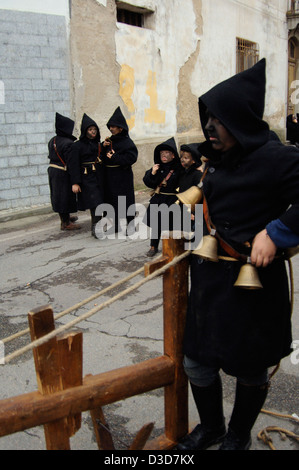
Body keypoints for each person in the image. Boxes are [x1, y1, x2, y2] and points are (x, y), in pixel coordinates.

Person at [177, 59, 299, 451]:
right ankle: (211, 427)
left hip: (255, 287)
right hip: (210, 282)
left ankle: (237, 435)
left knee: (250, 367)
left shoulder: (279, 158)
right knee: (197, 361)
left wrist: (276, 232)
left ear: (243, 120)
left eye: (220, 119)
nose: (210, 128)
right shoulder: (215, 160)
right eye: (207, 117)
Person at [101, 107, 138, 235]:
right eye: (110, 126)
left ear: (120, 128)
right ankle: (115, 225)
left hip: (123, 176)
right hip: (110, 176)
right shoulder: (108, 142)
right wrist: (102, 146)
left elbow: (131, 158)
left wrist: (115, 157)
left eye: (114, 127)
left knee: (126, 201)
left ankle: (131, 225)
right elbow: (100, 156)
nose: (111, 129)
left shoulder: (128, 142)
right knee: (111, 201)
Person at [143, 137, 181, 256]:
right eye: (161, 153)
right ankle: (153, 246)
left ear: (173, 155)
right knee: (156, 224)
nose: (163, 155)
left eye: (166, 153)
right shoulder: (157, 167)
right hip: (158, 200)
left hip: (172, 200)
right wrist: (152, 173)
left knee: (172, 225)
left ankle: (172, 246)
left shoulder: (179, 168)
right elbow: (148, 182)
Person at [69, 113, 104, 238]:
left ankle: (98, 226)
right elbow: (73, 165)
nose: (93, 132)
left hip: (98, 177)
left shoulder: (98, 145)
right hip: (86, 178)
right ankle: (96, 228)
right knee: (95, 203)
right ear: (85, 131)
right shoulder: (77, 146)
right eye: (90, 130)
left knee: (100, 202)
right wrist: (75, 182)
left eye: (94, 129)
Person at [48, 112, 81, 231]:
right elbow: (71, 163)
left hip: (53, 171)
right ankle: (65, 223)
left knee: (58, 195)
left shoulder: (53, 140)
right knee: (64, 196)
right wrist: (75, 180)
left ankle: (65, 217)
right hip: (63, 172)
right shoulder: (68, 143)